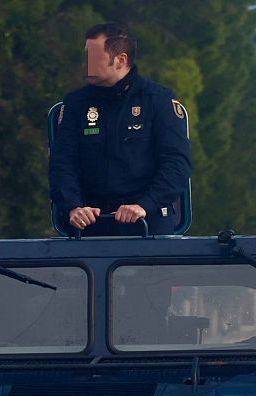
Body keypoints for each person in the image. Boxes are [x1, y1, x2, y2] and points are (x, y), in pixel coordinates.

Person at [48, 23, 193, 237]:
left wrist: (144, 205)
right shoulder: (76, 104)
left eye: (95, 58)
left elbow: (177, 165)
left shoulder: (158, 101)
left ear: (121, 60)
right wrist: (73, 207)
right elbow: (62, 164)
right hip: (90, 223)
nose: (87, 65)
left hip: (147, 224)